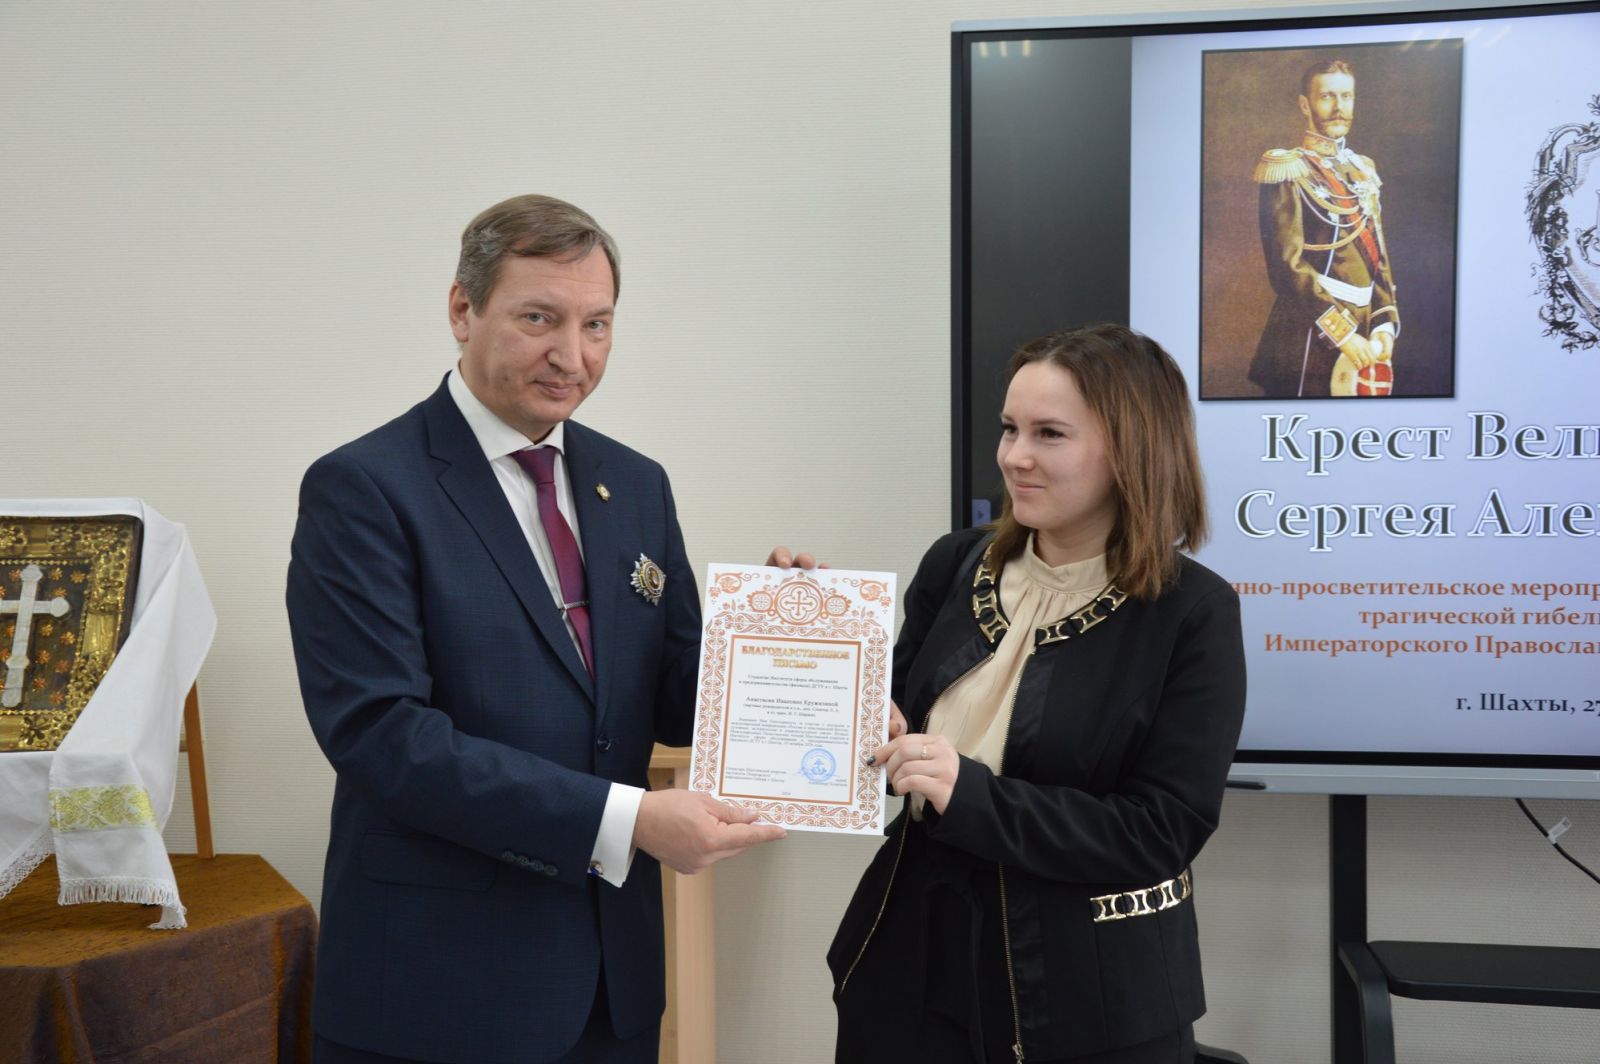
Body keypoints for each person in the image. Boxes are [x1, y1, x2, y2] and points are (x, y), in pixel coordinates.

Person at [286, 194, 793, 1064]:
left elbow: (675, 696)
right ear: (463, 309)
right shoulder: (364, 488)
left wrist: (780, 648)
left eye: (597, 325)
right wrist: (628, 820)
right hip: (438, 994)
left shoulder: (635, 483)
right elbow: (384, 737)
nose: (573, 356)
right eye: (539, 318)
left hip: (610, 991)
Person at [829, 323, 1247, 1064]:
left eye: (1049, 434)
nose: (1014, 456)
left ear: (1131, 449)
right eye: (1009, 428)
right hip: (913, 962)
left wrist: (971, 793)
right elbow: (882, 734)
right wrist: (810, 640)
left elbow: (1161, 832)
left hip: (1090, 994)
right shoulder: (955, 564)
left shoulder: (1193, 612)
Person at [1250, 58, 1400, 398]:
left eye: (1346, 97)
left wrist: (1383, 323)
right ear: (1305, 105)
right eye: (1327, 97)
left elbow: (1378, 259)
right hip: (1306, 334)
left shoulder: (1363, 169)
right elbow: (1286, 268)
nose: (1338, 108)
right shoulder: (1288, 169)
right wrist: (1342, 333)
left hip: (1366, 332)